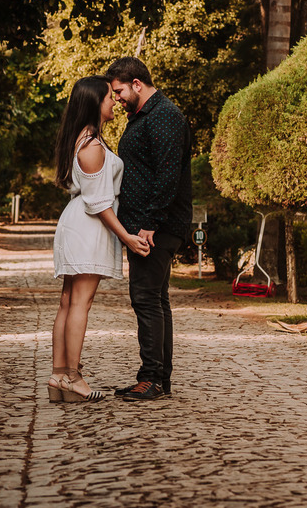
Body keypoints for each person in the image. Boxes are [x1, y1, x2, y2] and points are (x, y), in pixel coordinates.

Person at [49, 76, 150, 403]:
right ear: (94, 103)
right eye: (109, 97)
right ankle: (73, 377)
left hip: (78, 223)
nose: (114, 102)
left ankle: (58, 377)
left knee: (67, 301)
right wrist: (127, 238)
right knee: (79, 302)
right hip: (88, 226)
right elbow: (99, 203)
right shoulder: (91, 146)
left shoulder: (83, 139)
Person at [106, 57, 192, 402]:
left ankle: (152, 378)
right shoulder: (146, 117)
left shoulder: (164, 116)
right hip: (150, 223)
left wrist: (149, 224)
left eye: (119, 91)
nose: (117, 99)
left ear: (137, 83)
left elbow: (167, 174)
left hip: (155, 227)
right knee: (156, 300)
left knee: (145, 299)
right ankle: (159, 378)